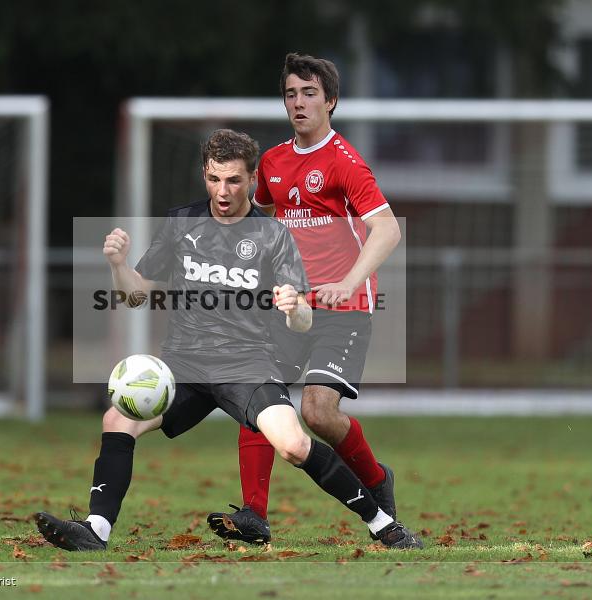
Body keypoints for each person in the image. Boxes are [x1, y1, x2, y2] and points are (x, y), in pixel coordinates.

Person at [36, 129, 417, 551]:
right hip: (185, 366)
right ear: (205, 175)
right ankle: (95, 530)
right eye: (215, 179)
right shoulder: (181, 222)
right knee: (117, 419)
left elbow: (304, 323)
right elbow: (135, 293)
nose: (222, 190)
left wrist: (295, 305)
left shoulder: (274, 235)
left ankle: (383, 522)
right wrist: (117, 264)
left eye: (233, 180)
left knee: (293, 445)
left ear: (253, 180)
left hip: (248, 366)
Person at [206, 54, 422, 549]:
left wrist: (347, 281)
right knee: (259, 395)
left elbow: (387, 230)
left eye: (308, 93)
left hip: (343, 311)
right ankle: (253, 515)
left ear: (330, 101)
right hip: (290, 306)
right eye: (290, 94)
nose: (298, 102)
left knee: (319, 412)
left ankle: (375, 479)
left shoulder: (345, 162)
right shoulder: (275, 163)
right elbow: (256, 215)